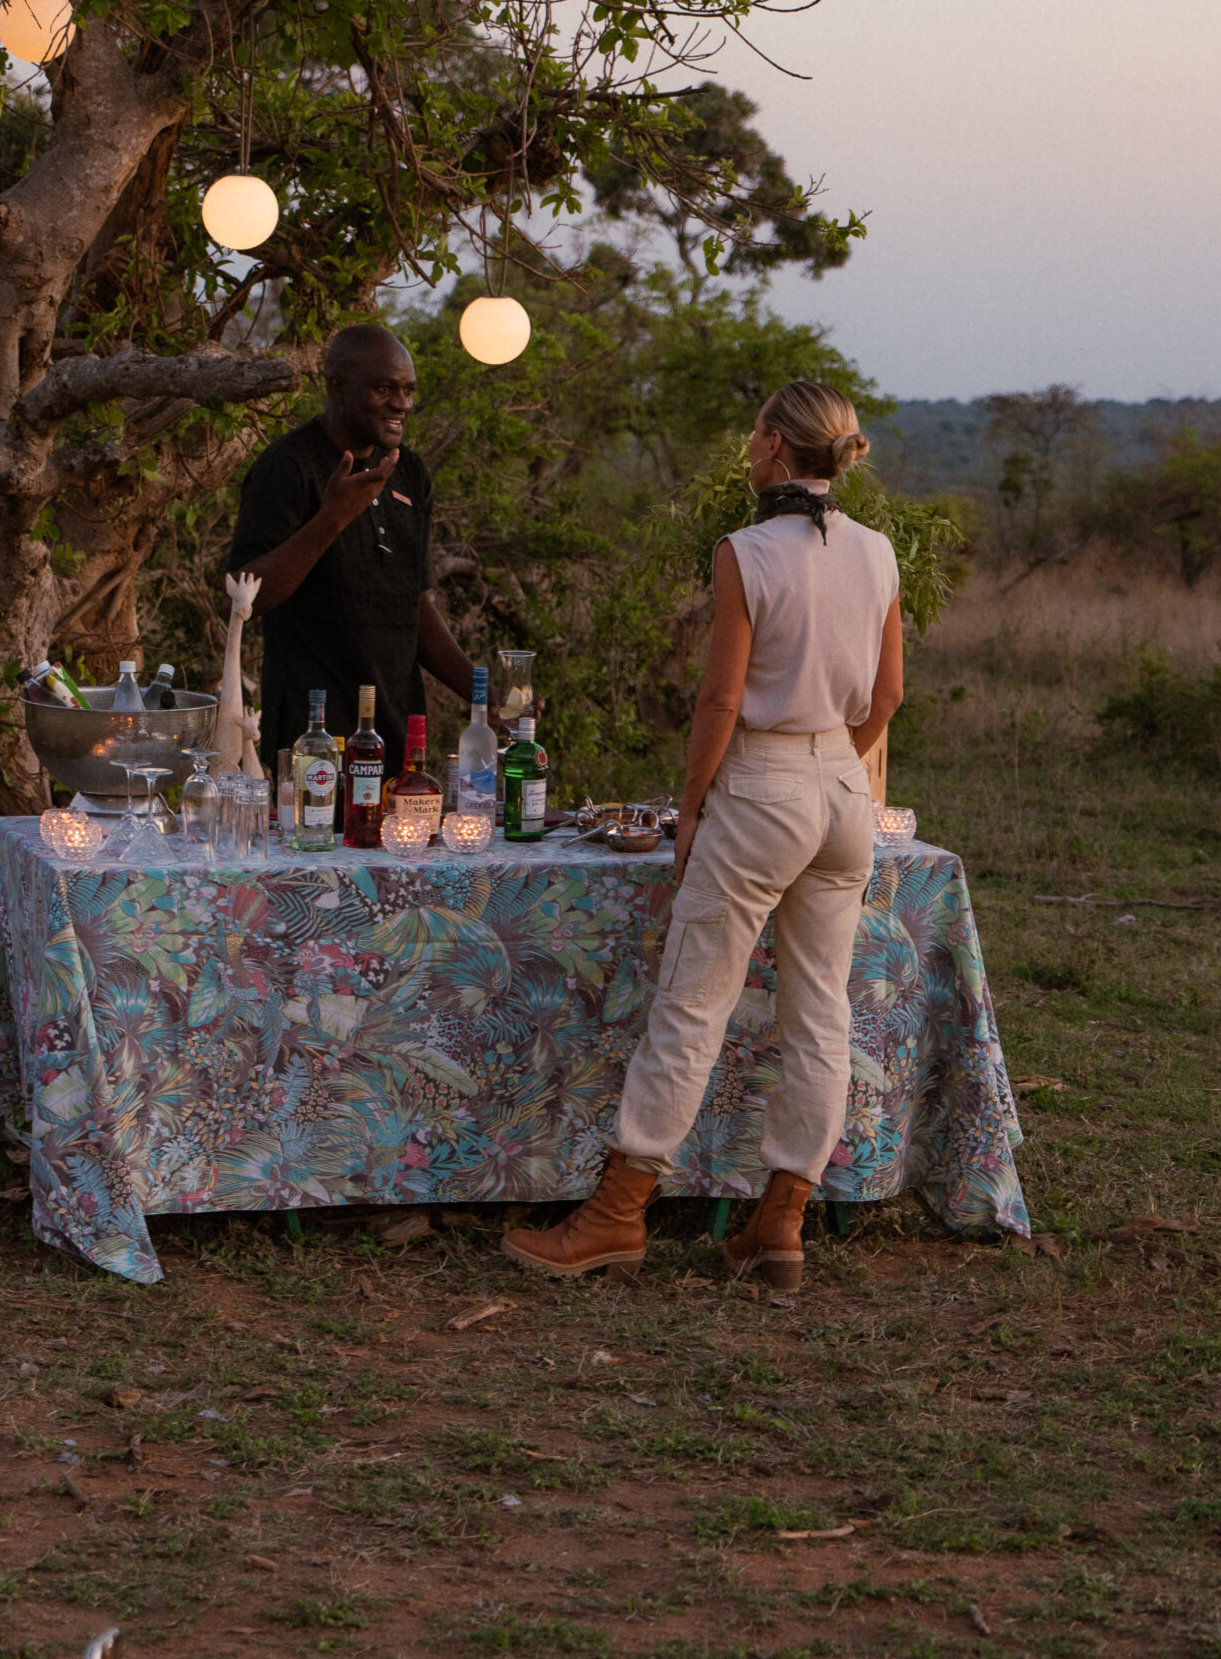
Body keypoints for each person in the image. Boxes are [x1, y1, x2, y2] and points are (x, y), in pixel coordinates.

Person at [504, 379, 904, 1291]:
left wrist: (693, 808)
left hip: (761, 786)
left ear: (771, 449)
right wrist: (837, 760)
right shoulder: (878, 553)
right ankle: (782, 1221)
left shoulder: (745, 552)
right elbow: (888, 697)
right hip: (844, 789)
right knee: (821, 1010)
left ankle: (616, 1214)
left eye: (755, 429)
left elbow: (721, 699)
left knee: (693, 1002)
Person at [229, 325, 480, 775]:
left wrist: (483, 693)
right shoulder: (287, 468)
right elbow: (247, 598)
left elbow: (416, 605)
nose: (401, 404)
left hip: (397, 727)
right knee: (316, 846)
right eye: (384, 388)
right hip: (315, 734)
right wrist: (331, 519)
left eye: (407, 390)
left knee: (403, 844)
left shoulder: (410, 473)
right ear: (337, 387)